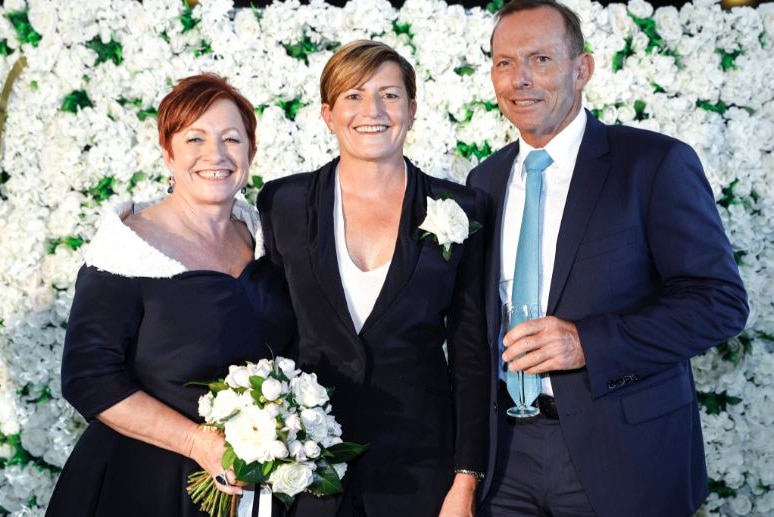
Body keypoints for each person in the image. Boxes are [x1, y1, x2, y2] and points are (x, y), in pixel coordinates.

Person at [465, 1, 749, 516]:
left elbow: (720, 303)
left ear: (583, 69)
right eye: (504, 62)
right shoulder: (483, 181)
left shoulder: (653, 163)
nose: (519, 79)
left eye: (540, 60)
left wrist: (587, 344)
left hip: (623, 457)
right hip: (505, 459)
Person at [257, 40, 490, 516]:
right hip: (307, 470)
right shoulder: (283, 203)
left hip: (420, 471)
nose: (373, 111)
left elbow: (470, 353)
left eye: (389, 95)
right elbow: (270, 334)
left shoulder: (460, 209)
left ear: (412, 108)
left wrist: (465, 481)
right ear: (328, 113)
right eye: (354, 96)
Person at [46, 74, 295, 516]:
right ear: (168, 152)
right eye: (194, 138)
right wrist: (195, 442)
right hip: (141, 486)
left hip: (247, 489)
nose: (215, 155)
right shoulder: (130, 247)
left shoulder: (266, 237)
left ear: (251, 152)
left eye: (231, 139)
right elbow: (88, 376)